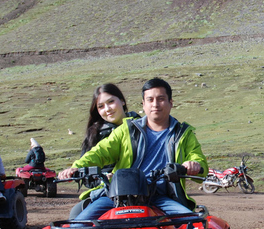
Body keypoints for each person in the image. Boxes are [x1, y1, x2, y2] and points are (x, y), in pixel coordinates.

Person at [59, 77, 207, 220]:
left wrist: (194, 164)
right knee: (77, 227)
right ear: (143, 104)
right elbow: (100, 153)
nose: (155, 104)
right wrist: (76, 168)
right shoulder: (127, 130)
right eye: (150, 100)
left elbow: (198, 161)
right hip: (118, 196)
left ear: (171, 103)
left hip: (161, 197)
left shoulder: (184, 134)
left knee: (194, 225)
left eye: (161, 99)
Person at [80, 83, 140, 156]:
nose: (107, 109)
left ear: (122, 101)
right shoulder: (95, 135)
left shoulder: (141, 126)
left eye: (111, 102)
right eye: (101, 106)